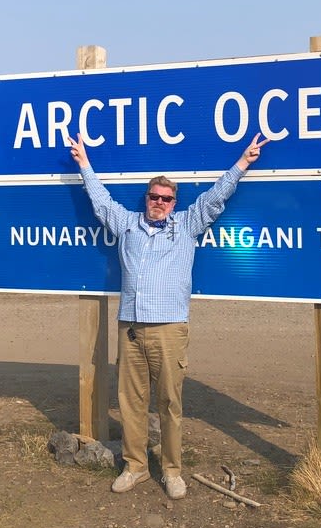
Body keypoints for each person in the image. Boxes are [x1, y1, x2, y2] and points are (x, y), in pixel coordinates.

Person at [68, 132, 268, 499]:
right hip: (130, 327)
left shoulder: (187, 226)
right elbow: (100, 201)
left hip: (170, 328)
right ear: (146, 199)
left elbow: (214, 198)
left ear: (174, 203)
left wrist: (242, 163)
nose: (159, 202)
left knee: (170, 403)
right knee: (130, 402)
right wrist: (84, 164)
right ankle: (135, 466)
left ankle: (173, 471)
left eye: (166, 198)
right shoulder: (127, 224)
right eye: (154, 197)